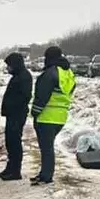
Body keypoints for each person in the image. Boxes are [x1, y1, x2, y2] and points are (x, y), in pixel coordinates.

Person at [30, 46, 75, 186]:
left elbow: (41, 96)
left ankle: (46, 176)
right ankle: (45, 173)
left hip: (46, 116)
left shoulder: (50, 73)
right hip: (60, 117)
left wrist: (35, 112)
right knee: (48, 147)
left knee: (46, 148)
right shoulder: (68, 73)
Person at [0, 52, 32, 181]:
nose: (8, 68)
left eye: (9, 65)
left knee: (14, 142)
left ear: (15, 64)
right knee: (10, 142)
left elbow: (25, 97)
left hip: (17, 114)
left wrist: (11, 106)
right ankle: (10, 167)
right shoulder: (18, 75)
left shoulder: (24, 76)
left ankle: (15, 171)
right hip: (12, 114)